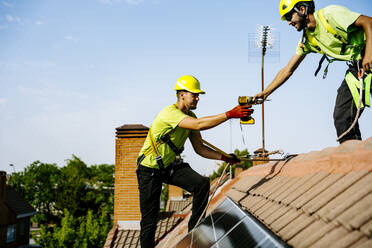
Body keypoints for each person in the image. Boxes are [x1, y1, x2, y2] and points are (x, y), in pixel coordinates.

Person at [136, 75, 253, 248]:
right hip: (149, 169)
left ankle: (194, 231)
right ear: (182, 94)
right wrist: (229, 114)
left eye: (198, 95)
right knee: (150, 220)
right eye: (194, 94)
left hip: (168, 166)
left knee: (201, 184)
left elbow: (200, 149)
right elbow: (198, 125)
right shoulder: (170, 113)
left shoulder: (190, 116)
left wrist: (223, 158)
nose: (198, 98)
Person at [255, 0, 372, 143]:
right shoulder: (307, 40)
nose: (288, 22)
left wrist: (369, 55)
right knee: (342, 117)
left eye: (289, 16)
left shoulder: (330, 14)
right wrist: (266, 92)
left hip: (369, 54)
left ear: (302, 9)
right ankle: (355, 159)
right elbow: (288, 69)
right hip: (359, 65)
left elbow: (368, 22)